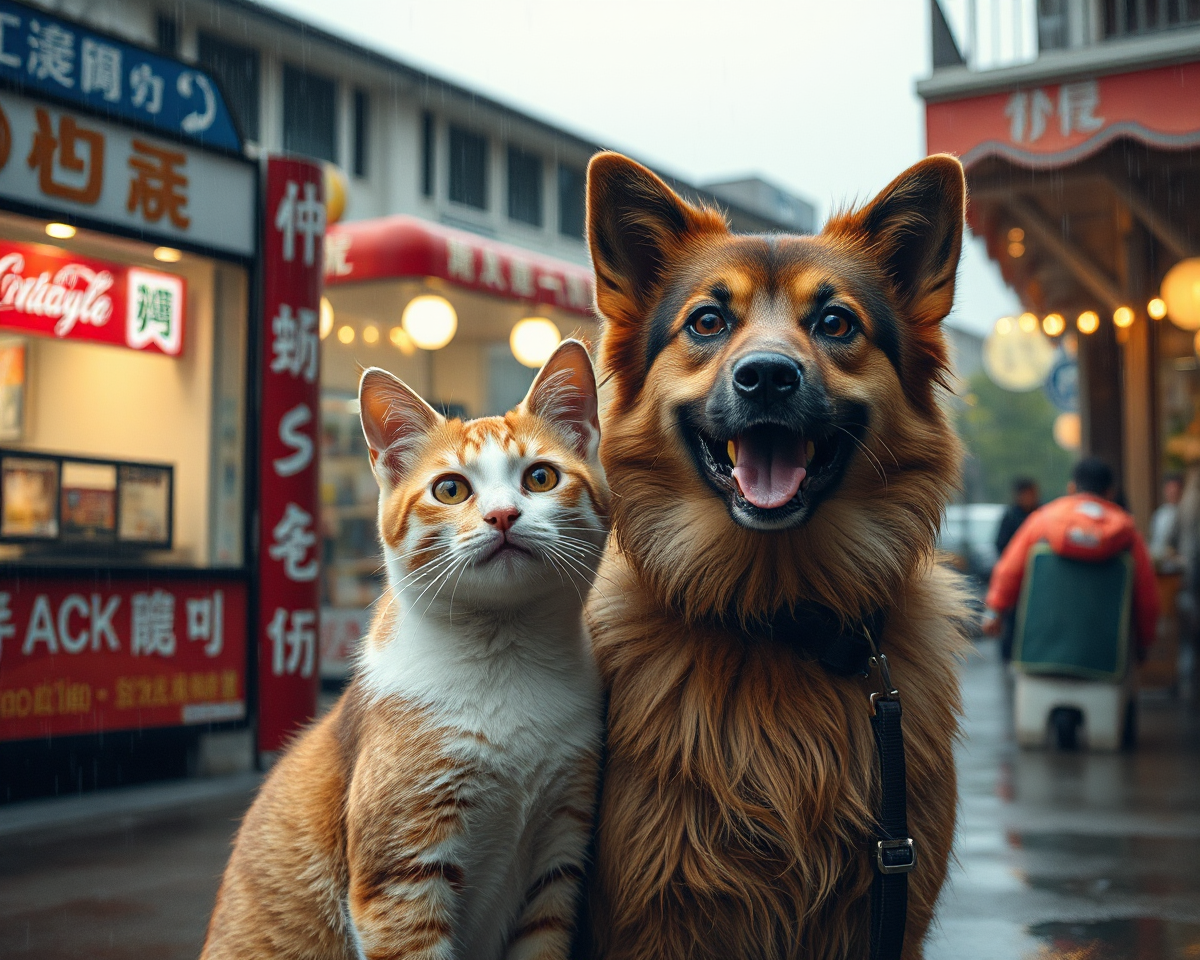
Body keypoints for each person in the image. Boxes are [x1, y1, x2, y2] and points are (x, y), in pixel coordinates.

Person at [982, 457, 1159, 659]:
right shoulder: (1128, 532)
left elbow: (1008, 570)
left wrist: (994, 612)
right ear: (1110, 492)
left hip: (1043, 650)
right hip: (1107, 656)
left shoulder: (1042, 521)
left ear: (1072, 488)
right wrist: (1145, 642)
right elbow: (1147, 596)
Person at [995, 477, 1040, 555]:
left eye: (1031, 494)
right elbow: (1001, 544)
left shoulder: (1042, 514)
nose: (1028, 498)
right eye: (1026, 494)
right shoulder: (1010, 516)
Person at [1149, 472, 1184, 572]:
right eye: (1169, 488)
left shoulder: (1186, 514)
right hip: (1161, 567)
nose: (1172, 492)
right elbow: (1155, 542)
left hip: (1180, 567)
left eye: (1175, 488)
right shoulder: (1159, 514)